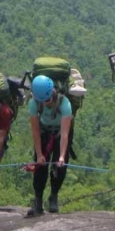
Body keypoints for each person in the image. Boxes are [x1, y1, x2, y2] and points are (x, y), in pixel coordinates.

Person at [26, 75, 73, 216]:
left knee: (59, 167)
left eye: (47, 100)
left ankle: (54, 195)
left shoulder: (65, 103)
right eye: (42, 101)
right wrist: (39, 154)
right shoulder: (34, 103)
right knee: (40, 165)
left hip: (60, 131)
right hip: (44, 130)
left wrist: (62, 157)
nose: (45, 103)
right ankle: (38, 199)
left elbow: (65, 134)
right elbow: (35, 131)